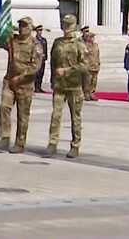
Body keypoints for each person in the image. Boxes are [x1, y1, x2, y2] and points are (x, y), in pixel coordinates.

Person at [0, 17, 42, 153]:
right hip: (9, 81)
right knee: (4, 107)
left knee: (23, 115)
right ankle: (5, 136)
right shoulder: (13, 40)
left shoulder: (35, 45)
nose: (22, 28)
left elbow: (35, 66)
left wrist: (21, 77)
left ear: (30, 27)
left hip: (24, 84)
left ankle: (20, 142)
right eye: (20, 25)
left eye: (24, 25)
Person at [47, 14, 88, 158]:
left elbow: (85, 66)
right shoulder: (57, 43)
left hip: (74, 86)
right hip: (59, 86)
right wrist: (53, 80)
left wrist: (67, 70)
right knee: (56, 115)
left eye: (69, 25)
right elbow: (52, 63)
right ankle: (52, 143)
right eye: (64, 25)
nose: (66, 28)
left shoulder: (79, 45)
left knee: (75, 117)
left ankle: (75, 145)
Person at [82, 28, 101, 101]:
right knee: (87, 81)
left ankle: (92, 93)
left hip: (95, 66)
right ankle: (86, 94)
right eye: (92, 37)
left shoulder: (96, 45)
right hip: (88, 67)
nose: (93, 39)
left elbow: (97, 55)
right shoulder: (84, 46)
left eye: (93, 37)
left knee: (94, 81)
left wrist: (98, 64)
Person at [33, 24, 48, 93]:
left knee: (41, 73)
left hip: (42, 59)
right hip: (36, 59)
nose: (40, 32)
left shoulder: (44, 40)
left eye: (41, 30)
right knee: (37, 73)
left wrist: (45, 57)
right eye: (39, 30)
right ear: (36, 31)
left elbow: (45, 49)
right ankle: (36, 87)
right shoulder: (34, 40)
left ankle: (39, 86)